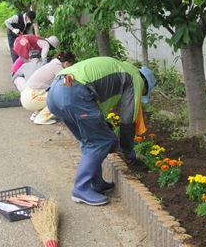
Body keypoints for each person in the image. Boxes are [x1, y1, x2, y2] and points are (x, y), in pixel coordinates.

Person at [46, 56, 156, 206]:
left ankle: (96, 183)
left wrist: (105, 126)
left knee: (90, 141)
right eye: (144, 92)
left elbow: (97, 107)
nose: (141, 94)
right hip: (74, 93)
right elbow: (127, 120)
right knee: (101, 141)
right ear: (145, 85)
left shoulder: (120, 68)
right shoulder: (135, 79)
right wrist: (128, 152)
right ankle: (81, 188)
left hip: (56, 91)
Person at [21, 51, 75, 125]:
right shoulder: (58, 68)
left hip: (27, 95)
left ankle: (36, 114)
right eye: (71, 65)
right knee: (57, 98)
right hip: (31, 98)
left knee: (52, 94)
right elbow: (68, 85)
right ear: (66, 63)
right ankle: (41, 118)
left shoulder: (52, 64)